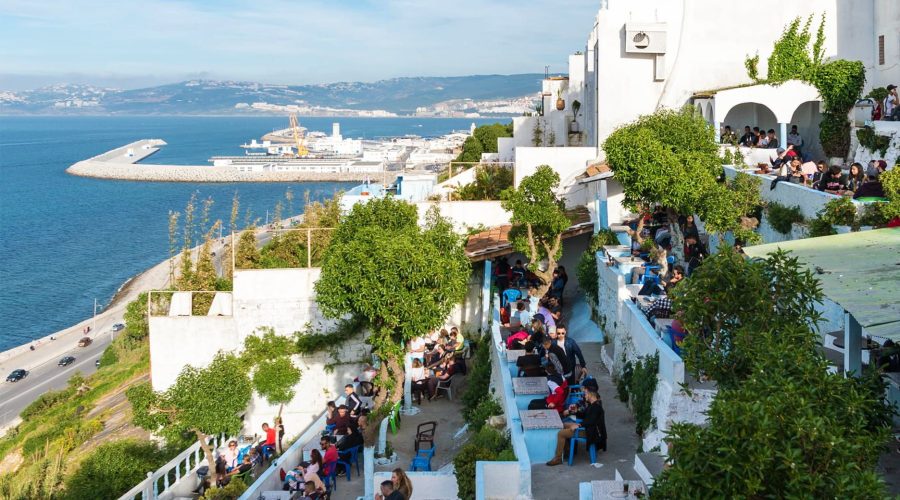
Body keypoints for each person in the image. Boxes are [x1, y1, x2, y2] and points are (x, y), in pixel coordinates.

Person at [546, 388, 607, 466]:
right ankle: (567, 449)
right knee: (562, 425)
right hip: (587, 428)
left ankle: (558, 458)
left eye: (585, 394)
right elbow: (585, 415)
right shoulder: (593, 404)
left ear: (591, 394)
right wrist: (575, 412)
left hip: (589, 432)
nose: (584, 396)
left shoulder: (596, 407)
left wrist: (579, 425)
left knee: (561, 433)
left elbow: (591, 421)